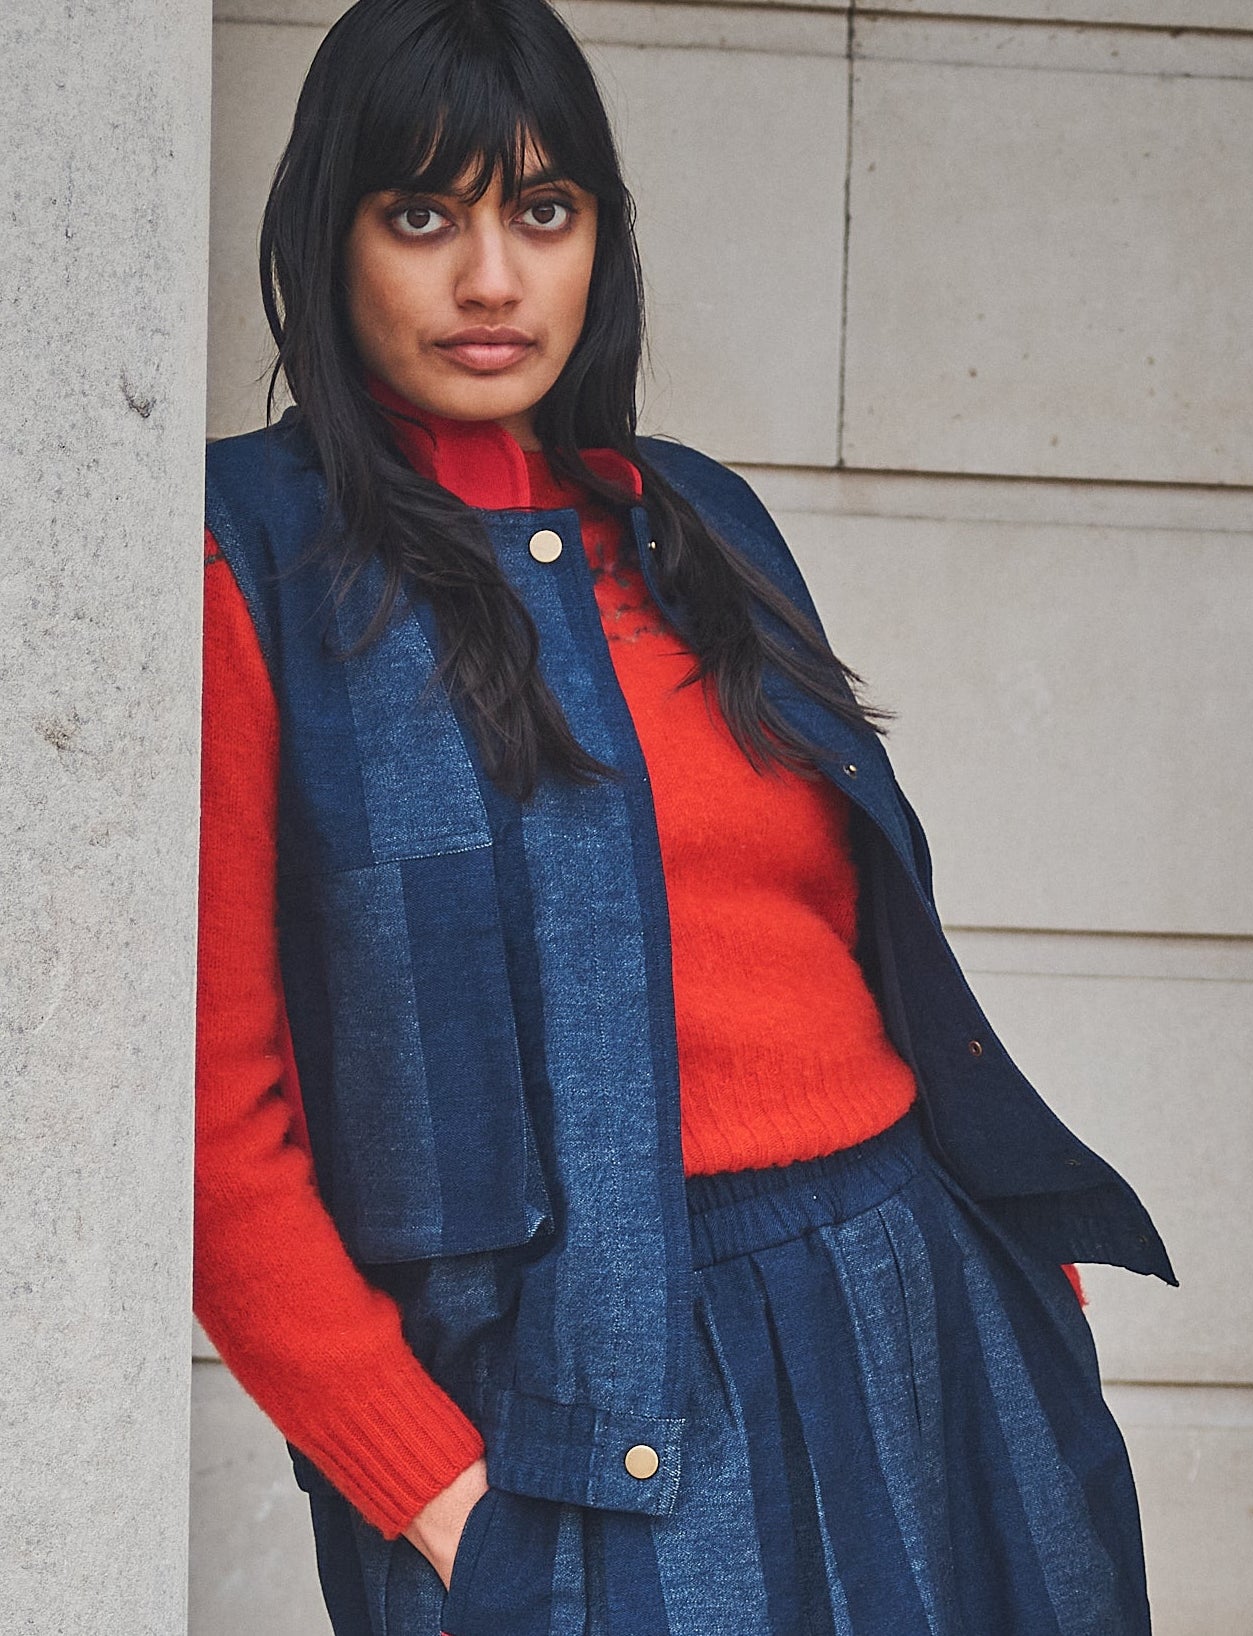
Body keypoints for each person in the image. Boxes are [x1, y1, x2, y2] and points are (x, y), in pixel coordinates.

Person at [196, 1, 1175, 1632]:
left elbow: (855, 946)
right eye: (422, 214)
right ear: (328, 230)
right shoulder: (256, 569)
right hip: (573, 1412)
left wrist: (1016, 1283)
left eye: (542, 209)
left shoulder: (690, 519)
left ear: (602, 239)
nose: (492, 278)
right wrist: (432, 1493)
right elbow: (216, 1127)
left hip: (911, 1306)